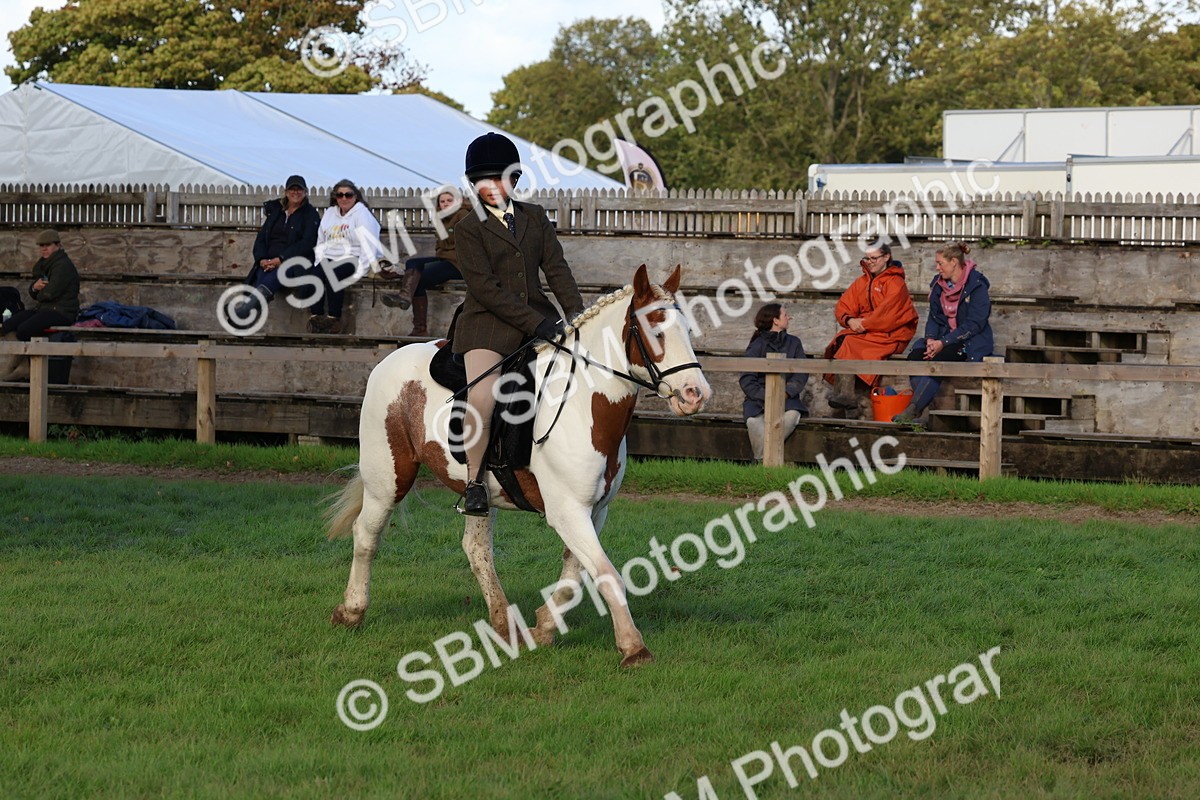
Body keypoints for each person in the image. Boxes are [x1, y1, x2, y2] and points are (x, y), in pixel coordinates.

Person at [453, 132, 584, 515]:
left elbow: (557, 270)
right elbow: (486, 290)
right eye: (485, 180)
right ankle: (475, 483)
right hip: (486, 326)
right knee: (483, 396)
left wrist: (576, 315)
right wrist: (536, 322)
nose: (494, 186)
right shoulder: (467, 228)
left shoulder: (535, 217)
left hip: (540, 321)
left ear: (515, 178)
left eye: (502, 177)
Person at [893, 241, 995, 424]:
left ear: (954, 262)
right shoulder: (938, 285)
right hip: (941, 339)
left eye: (940, 263)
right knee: (916, 355)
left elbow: (975, 324)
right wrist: (931, 339)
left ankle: (914, 409)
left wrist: (944, 343)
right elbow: (934, 317)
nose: (937, 268)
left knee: (939, 359)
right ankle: (922, 409)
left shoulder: (977, 285)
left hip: (968, 341)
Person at [824, 242, 918, 416]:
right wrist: (850, 320)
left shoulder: (896, 283)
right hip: (868, 331)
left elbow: (887, 316)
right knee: (842, 340)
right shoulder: (862, 282)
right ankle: (847, 401)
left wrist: (863, 324)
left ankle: (845, 398)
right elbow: (843, 306)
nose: (870, 262)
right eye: (867, 258)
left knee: (849, 341)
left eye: (874, 258)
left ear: (886, 257)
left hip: (891, 334)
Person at [381, 190, 471, 336]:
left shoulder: (463, 215)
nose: (445, 204)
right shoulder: (441, 218)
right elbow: (441, 246)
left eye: (449, 200)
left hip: (460, 263)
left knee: (418, 280)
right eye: (442, 201)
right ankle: (405, 297)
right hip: (446, 259)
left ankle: (419, 328)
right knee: (413, 263)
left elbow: (465, 245)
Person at [235, 175, 321, 322]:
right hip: (269, 261)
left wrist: (281, 259)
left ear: (305, 192)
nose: (295, 192)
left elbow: (307, 243)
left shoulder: (310, 214)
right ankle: (247, 316)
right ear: (286, 192)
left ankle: (246, 312)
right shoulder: (276, 212)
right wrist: (262, 259)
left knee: (276, 274)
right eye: (292, 189)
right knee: (262, 273)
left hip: (294, 263)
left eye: (299, 189)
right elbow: (262, 238)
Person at [1, 229, 80, 381]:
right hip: (45, 309)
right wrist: (35, 288)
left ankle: (25, 369)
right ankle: (23, 366)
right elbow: (35, 291)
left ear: (58, 245)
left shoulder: (63, 266)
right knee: (8, 325)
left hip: (62, 312)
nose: (44, 249)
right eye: (41, 246)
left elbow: (50, 293)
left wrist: (38, 291)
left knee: (24, 330)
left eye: (48, 245)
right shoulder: (45, 265)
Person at [310, 179, 383, 334]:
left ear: (355, 196)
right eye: (340, 195)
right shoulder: (330, 213)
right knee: (314, 275)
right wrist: (319, 261)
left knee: (334, 275)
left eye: (348, 195)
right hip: (329, 255)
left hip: (354, 256)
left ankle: (333, 319)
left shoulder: (362, 214)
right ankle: (316, 318)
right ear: (335, 197)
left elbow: (369, 244)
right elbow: (321, 240)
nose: (344, 198)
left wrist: (363, 269)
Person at [740, 303, 809, 462]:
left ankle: (760, 462)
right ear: (775, 320)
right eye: (785, 315)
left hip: (788, 400)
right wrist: (766, 396)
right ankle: (764, 462)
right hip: (758, 402)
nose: (789, 317)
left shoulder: (794, 343)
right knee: (753, 423)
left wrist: (785, 393)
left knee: (791, 416)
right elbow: (747, 378)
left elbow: (801, 373)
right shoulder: (756, 345)